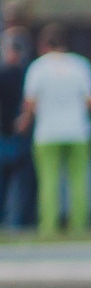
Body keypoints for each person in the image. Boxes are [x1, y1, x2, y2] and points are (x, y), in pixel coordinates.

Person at [20, 24, 91, 238]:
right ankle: (79, 226)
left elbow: (30, 104)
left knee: (49, 181)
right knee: (79, 180)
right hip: (77, 131)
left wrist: (26, 121)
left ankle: (49, 227)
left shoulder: (38, 68)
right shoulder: (80, 65)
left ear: (44, 45)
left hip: (47, 133)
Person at [0, 28, 30, 232]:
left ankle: (8, 219)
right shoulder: (28, 73)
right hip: (19, 133)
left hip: (7, 133)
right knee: (20, 182)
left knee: (6, 181)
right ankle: (18, 220)